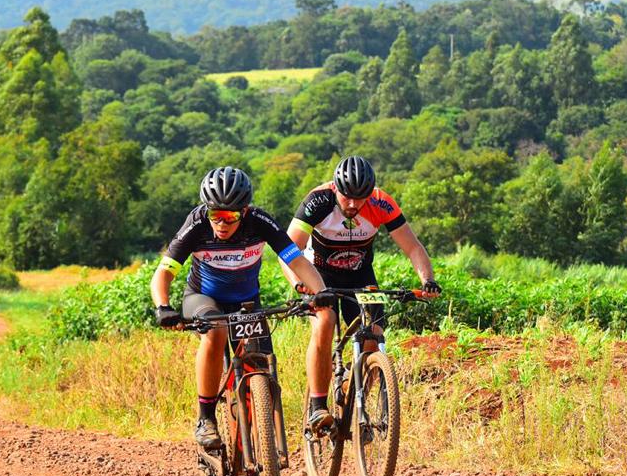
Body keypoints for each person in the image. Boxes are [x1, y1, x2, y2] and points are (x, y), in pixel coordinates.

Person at [150, 166, 331, 450]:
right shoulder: (196, 224)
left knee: (263, 366)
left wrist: (321, 293)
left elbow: (296, 261)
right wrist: (163, 306)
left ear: (244, 212)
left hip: (247, 302)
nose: (221, 224)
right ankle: (206, 418)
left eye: (230, 216)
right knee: (216, 332)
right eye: (215, 215)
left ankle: (261, 445)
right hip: (203, 298)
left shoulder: (259, 222)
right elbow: (163, 273)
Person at [284, 155, 440, 433]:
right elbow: (289, 250)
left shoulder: (381, 203)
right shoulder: (318, 201)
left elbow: (412, 247)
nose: (354, 205)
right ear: (336, 189)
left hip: (360, 275)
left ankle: (359, 403)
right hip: (319, 276)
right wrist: (300, 284)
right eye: (347, 198)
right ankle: (318, 406)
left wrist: (427, 280)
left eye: (361, 198)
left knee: (374, 335)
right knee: (325, 323)